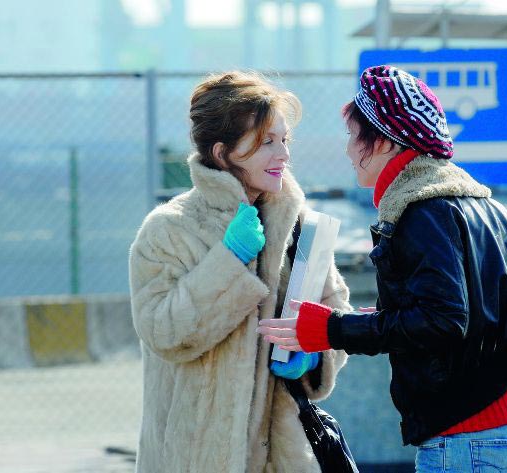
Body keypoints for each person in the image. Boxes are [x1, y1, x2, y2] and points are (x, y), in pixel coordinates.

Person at [257, 65, 507, 472]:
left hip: (465, 439)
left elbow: (442, 320)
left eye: (354, 136)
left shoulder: (421, 210)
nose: (347, 150)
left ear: (387, 142)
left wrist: (332, 330)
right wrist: (368, 322)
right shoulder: (482, 203)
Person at [128, 71, 352, 472]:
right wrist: (229, 261)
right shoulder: (168, 229)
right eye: (267, 142)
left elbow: (337, 319)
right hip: (191, 458)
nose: (282, 154)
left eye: (285, 140)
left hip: (283, 458)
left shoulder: (299, 225)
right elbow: (163, 331)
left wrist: (314, 356)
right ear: (222, 153)